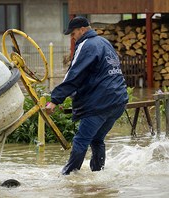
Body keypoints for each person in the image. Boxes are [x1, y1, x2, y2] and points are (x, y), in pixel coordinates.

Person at [45, 16, 128, 175]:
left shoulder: (87, 45)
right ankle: (98, 175)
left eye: (73, 33)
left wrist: (55, 100)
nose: (73, 37)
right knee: (97, 140)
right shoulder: (105, 43)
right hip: (118, 101)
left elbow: (74, 74)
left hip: (100, 103)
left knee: (80, 140)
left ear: (82, 30)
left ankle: (68, 176)